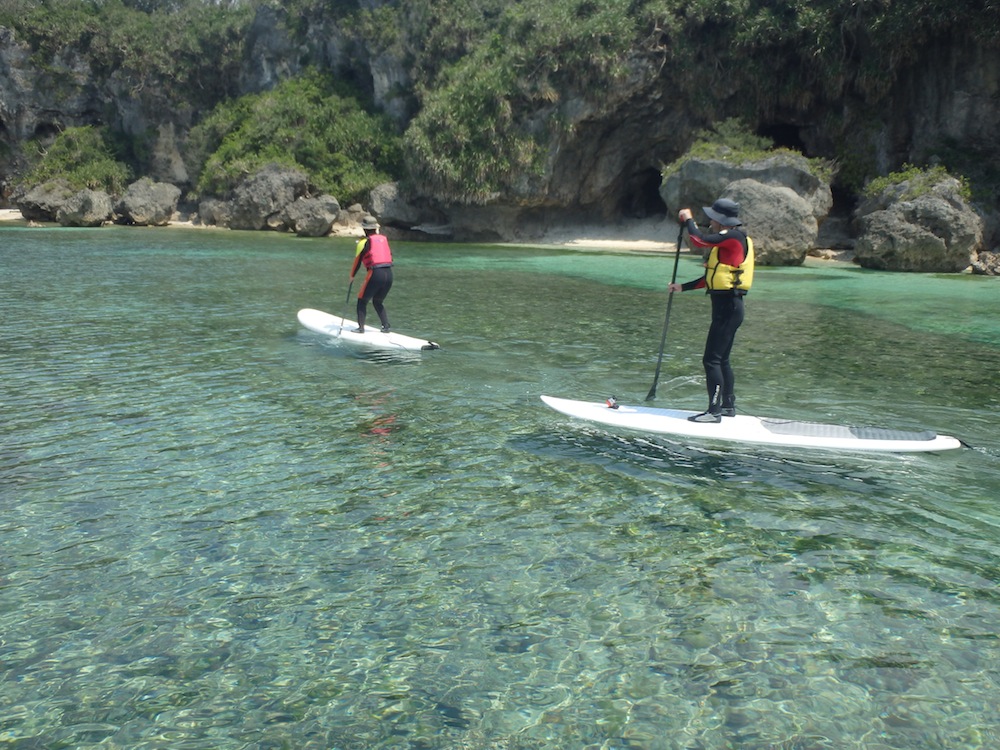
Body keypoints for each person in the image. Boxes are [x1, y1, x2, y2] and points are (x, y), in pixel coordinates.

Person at [668, 198, 755, 423]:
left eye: (712, 218)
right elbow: (713, 278)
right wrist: (682, 287)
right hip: (730, 308)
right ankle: (727, 406)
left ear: (720, 220)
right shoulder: (729, 241)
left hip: (728, 308)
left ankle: (714, 411)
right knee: (721, 359)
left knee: (711, 360)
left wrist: (688, 219)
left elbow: (698, 239)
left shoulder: (733, 237)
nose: (710, 221)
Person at [350, 215, 393, 333]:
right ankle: (386, 326)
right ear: (375, 228)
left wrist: (352, 276)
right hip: (389, 274)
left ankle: (361, 328)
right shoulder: (384, 240)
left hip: (376, 273)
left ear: (364, 229)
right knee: (378, 301)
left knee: (362, 301)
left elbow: (357, 262)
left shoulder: (363, 243)